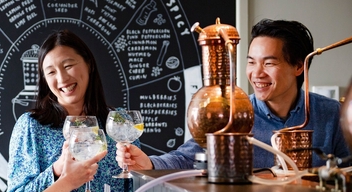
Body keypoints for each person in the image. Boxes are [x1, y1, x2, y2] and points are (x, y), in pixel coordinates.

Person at [116, 18, 350, 170]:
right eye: (251, 62)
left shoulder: (332, 115)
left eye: (269, 63)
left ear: (299, 66)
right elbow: (186, 157)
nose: (256, 73)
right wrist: (148, 163)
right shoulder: (232, 113)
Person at [2, 29, 140, 192]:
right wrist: (57, 171)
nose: (62, 78)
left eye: (68, 66)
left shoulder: (118, 122)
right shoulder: (31, 126)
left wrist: (142, 170)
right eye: (51, 72)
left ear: (89, 65)